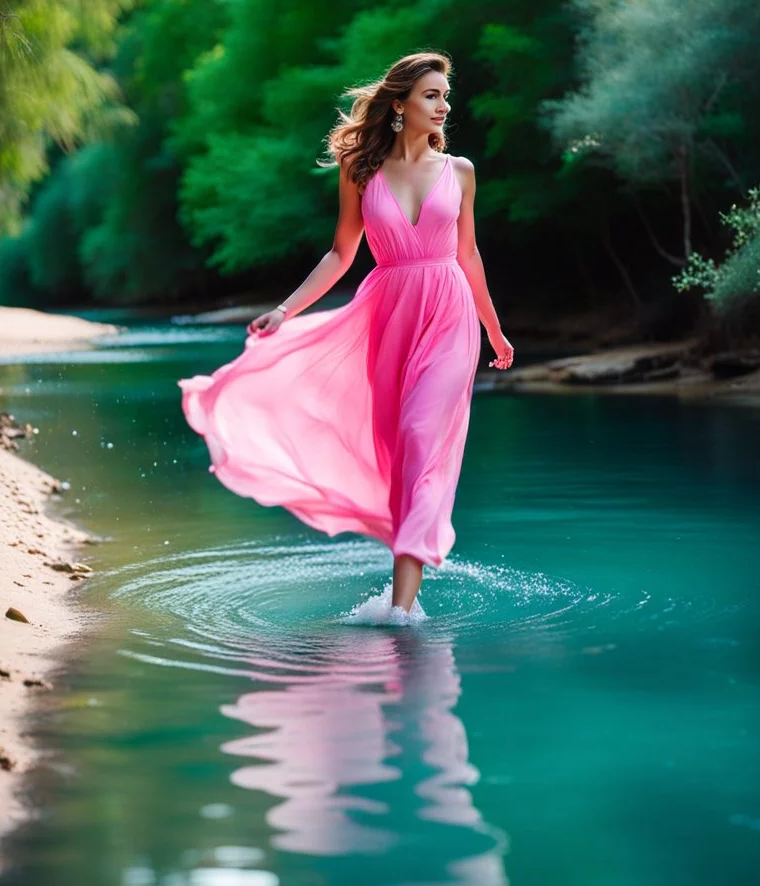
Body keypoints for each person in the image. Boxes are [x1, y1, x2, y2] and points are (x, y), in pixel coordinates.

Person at [179, 51, 513, 621]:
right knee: (393, 454)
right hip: (386, 317)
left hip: (449, 316)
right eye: (432, 94)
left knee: (418, 437)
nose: (444, 105)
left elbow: (469, 256)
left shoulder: (460, 171)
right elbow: (341, 254)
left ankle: (402, 611)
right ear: (401, 103)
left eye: (445, 95)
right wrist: (284, 309)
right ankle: (403, 589)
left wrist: (493, 328)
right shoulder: (361, 170)